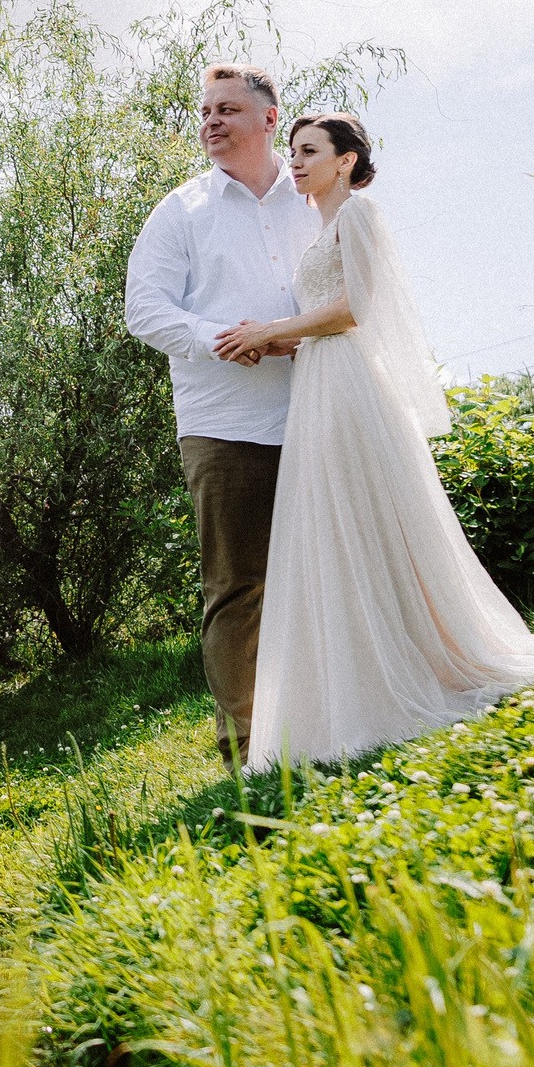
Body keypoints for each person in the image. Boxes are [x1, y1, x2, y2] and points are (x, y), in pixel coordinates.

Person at [216, 112, 534, 771]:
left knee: (374, 519)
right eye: (295, 152)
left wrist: (273, 327)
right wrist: (277, 340)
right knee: (341, 528)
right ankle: (362, 672)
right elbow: (324, 314)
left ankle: (426, 663)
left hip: (353, 384)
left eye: (310, 151)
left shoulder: (360, 216)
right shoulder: (321, 231)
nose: (296, 163)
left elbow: (359, 307)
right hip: (318, 385)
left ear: (345, 160)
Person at [124, 63, 317, 766]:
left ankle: (323, 718)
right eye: (205, 110)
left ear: (270, 119)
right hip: (223, 423)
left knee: (325, 565)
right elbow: (143, 309)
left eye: (227, 109)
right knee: (237, 586)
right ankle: (246, 746)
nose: (210, 121)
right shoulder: (180, 210)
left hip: (321, 408)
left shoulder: (312, 197)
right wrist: (222, 339)